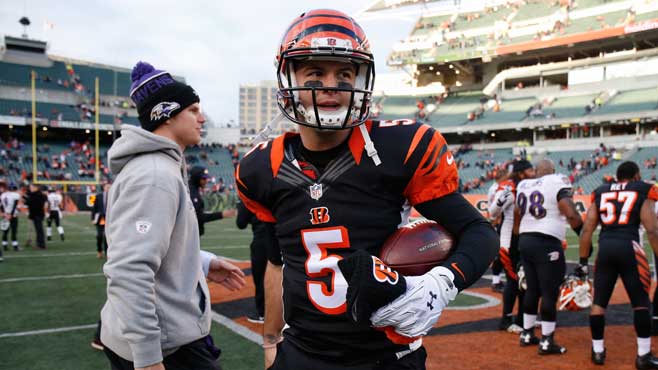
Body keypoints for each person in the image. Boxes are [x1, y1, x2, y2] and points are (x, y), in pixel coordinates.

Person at [236, 9, 498, 370]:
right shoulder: (260, 168)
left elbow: (479, 231)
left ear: (360, 82)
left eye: (345, 73)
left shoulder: (399, 147)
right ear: (289, 77)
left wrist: (442, 282)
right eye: (315, 72)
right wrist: (270, 339)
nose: (331, 84)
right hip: (300, 354)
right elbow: (277, 263)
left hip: (385, 357)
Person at [100, 61, 245, 370]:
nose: (202, 118)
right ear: (165, 114)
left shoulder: (159, 168)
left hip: (169, 338)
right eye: (193, 110)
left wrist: (201, 262)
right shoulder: (154, 175)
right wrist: (149, 358)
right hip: (168, 347)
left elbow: (158, 244)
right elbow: (130, 270)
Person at [579, 161, 658, 368]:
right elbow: (651, 229)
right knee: (641, 302)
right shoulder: (643, 189)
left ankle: (597, 351)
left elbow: (587, 229)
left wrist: (582, 261)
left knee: (599, 302)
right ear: (636, 175)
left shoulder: (600, 191)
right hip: (629, 247)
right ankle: (643, 355)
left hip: (605, 248)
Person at [514, 159, 582, 355]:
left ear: (536, 171)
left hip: (525, 240)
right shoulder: (556, 180)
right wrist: (583, 234)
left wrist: (521, 239)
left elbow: (518, 214)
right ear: (552, 170)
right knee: (549, 292)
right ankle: (547, 340)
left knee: (531, 290)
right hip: (546, 241)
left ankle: (527, 334)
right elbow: (570, 213)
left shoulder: (524, 184)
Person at [488, 160, 535, 334]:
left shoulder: (529, 187)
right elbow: (493, 212)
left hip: (524, 239)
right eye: (530, 170)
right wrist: (503, 200)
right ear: (521, 173)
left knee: (525, 280)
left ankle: (522, 318)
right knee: (514, 281)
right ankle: (506, 320)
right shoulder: (509, 190)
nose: (534, 173)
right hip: (509, 242)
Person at [236, 200, 277, 324]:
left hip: (262, 240)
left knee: (261, 278)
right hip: (281, 236)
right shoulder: (277, 187)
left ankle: (262, 313)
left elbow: (241, 223)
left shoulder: (249, 192)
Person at [189, 166, 234, 236]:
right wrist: (221, 214)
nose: (206, 180)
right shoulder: (192, 192)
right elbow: (198, 217)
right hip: (190, 236)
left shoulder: (193, 189)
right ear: (196, 178)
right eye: (203, 178)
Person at [487, 168, 508, 293]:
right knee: (500, 253)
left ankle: (497, 279)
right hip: (499, 222)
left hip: (499, 220)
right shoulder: (497, 189)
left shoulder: (495, 188)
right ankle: (496, 280)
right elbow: (495, 208)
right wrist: (495, 221)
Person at [24, 183, 47, 250]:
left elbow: (30, 203)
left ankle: (41, 245)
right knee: (38, 230)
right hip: (35, 215)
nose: (30, 188)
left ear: (35, 188)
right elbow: (27, 201)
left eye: (31, 187)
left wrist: (26, 200)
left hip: (37, 215)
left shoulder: (39, 195)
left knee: (39, 230)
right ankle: (39, 243)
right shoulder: (35, 194)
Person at [91, 183, 110, 259]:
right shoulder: (98, 196)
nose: (108, 188)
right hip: (100, 218)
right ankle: (99, 251)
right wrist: (92, 218)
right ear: (104, 188)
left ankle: (107, 253)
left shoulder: (114, 196)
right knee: (99, 236)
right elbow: (94, 208)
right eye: (107, 187)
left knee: (107, 237)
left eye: (110, 187)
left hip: (109, 219)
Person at [1, 182, 21, 252]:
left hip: (5, 215)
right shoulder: (16, 195)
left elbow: (1, 206)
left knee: (5, 231)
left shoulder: (3, 195)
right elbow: (14, 205)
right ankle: (15, 246)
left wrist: (4, 213)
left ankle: (4, 245)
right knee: (14, 231)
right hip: (13, 215)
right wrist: (11, 214)